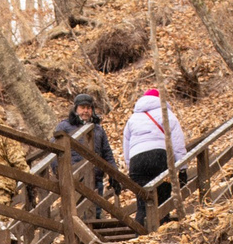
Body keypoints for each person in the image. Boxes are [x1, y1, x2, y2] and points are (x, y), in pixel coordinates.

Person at [121, 85, 187, 227]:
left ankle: (139, 233)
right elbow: (178, 143)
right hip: (159, 156)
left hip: (137, 160)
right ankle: (162, 228)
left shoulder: (133, 118)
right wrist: (182, 168)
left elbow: (126, 146)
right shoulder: (166, 114)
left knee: (143, 201)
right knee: (162, 196)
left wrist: (130, 166)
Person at [51, 92, 116, 221]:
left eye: (89, 108)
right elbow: (54, 151)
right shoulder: (65, 126)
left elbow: (107, 153)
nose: (85, 111)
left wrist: (114, 173)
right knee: (76, 213)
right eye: (82, 107)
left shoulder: (98, 129)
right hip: (74, 177)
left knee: (95, 213)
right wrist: (59, 172)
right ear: (76, 109)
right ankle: (80, 239)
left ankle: (95, 237)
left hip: (95, 177)